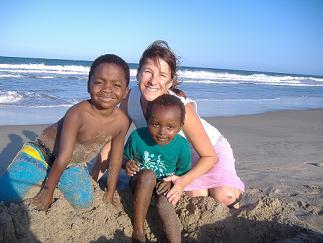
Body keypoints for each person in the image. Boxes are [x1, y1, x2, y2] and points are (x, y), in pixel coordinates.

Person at [118, 40, 245, 209]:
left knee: (224, 196)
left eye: (162, 75)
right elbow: (116, 139)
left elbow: (210, 156)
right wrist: (95, 174)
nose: (153, 81)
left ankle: (232, 191)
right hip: (176, 156)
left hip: (210, 150)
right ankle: (207, 189)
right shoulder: (130, 98)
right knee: (195, 195)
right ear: (138, 73)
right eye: (148, 71)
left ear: (170, 82)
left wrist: (182, 181)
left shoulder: (182, 108)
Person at [0, 54, 130, 210]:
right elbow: (64, 154)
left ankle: (48, 179)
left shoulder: (121, 122)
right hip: (42, 155)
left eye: (116, 85)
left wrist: (110, 192)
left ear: (126, 92)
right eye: (99, 82)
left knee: (84, 202)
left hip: (72, 164)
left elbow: (115, 160)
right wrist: (47, 193)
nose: (107, 89)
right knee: (5, 195)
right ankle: (39, 175)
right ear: (88, 85)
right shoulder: (77, 113)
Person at [124, 94, 191, 242]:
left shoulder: (181, 146)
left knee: (164, 204)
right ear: (147, 120)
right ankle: (139, 233)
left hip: (164, 186)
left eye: (170, 127)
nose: (162, 132)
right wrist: (127, 164)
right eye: (155, 124)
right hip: (141, 183)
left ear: (180, 126)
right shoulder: (137, 137)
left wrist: (170, 183)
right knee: (148, 175)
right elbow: (124, 159)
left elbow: (183, 175)